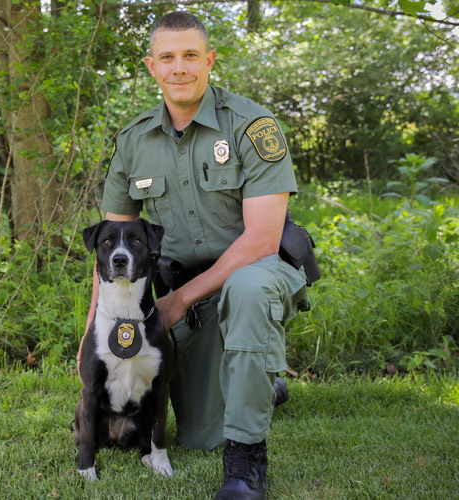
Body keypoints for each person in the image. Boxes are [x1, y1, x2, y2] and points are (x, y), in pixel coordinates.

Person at [77, 11, 311, 500]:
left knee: (245, 291)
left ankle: (246, 465)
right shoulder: (133, 141)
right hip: (189, 286)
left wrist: (177, 302)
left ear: (209, 60)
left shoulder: (252, 125)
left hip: (257, 270)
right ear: (151, 67)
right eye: (167, 57)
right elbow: (108, 251)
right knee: (200, 435)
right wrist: (92, 335)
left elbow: (263, 239)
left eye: (190, 56)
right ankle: (264, 383)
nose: (179, 67)